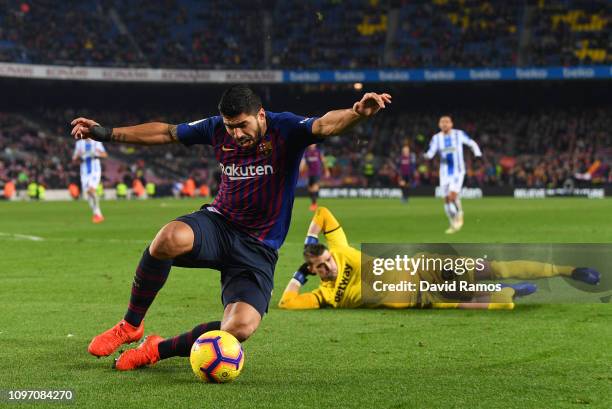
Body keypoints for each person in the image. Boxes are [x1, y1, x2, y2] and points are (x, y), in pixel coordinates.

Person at [70, 85, 392, 370]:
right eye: (230, 126)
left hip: (259, 248)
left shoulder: (286, 128)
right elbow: (167, 133)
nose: (236, 134)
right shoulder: (216, 129)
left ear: (261, 115)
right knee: (168, 237)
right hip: (219, 224)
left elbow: (324, 124)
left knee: (240, 327)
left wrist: (356, 113)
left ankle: (156, 349)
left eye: (242, 125)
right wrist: (107, 133)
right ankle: (130, 325)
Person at [278, 207, 600, 310]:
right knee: (475, 301)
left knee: (493, 268)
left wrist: (309, 240)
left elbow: (321, 212)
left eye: (325, 260)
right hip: (416, 296)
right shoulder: (325, 295)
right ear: (315, 272)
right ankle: (512, 293)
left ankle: (569, 270)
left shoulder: (340, 249)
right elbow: (286, 303)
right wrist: (299, 275)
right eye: (319, 268)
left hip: (422, 266)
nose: (327, 267)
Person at [423, 116, 481, 234]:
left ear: (451, 124)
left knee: (452, 196)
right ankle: (453, 223)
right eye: (442, 122)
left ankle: (460, 214)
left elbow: (471, 143)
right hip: (444, 173)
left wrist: (477, 153)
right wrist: (426, 156)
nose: (444, 124)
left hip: (458, 171)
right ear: (439, 125)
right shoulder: (436, 138)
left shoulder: (458, 134)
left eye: (447, 122)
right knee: (446, 200)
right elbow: (431, 152)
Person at [73, 138, 107, 223]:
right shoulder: (79, 144)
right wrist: (79, 156)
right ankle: (97, 214)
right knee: (88, 194)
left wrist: (96, 154)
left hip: (95, 171)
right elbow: (74, 158)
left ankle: (98, 214)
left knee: (91, 190)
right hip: (84, 173)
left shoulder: (96, 142)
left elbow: (104, 155)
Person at [300, 144, 329, 211]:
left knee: (315, 187)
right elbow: (303, 162)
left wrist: (327, 170)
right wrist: (301, 170)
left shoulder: (318, 151)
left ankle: (314, 204)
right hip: (309, 173)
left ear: (315, 144)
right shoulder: (306, 153)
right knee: (310, 189)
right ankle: (313, 203)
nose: (312, 145)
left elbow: (323, 161)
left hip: (317, 173)